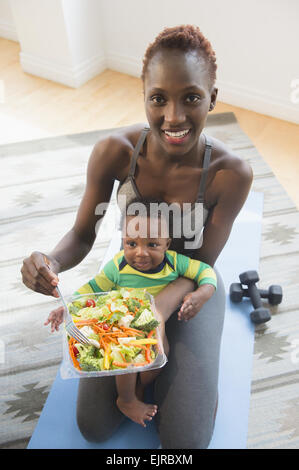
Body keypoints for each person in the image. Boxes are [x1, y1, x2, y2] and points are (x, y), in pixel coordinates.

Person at [21, 24, 253, 448]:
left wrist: (157, 309)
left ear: (213, 99)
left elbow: (205, 264)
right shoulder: (115, 151)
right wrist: (49, 261)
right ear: (144, 95)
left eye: (192, 98)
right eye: (158, 98)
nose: (174, 117)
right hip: (129, 281)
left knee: (184, 443)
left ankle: (195, 388)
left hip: (191, 285)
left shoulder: (230, 173)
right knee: (95, 426)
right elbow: (80, 233)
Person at [45, 198, 217, 427]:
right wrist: (66, 308)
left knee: (159, 356)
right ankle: (126, 399)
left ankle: (140, 386)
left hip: (155, 321)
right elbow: (94, 288)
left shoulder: (175, 263)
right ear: (123, 242)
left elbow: (204, 270)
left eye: (152, 245)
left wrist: (203, 292)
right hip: (122, 326)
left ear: (167, 243)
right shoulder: (117, 266)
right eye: (131, 244)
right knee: (126, 358)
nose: (141, 253)